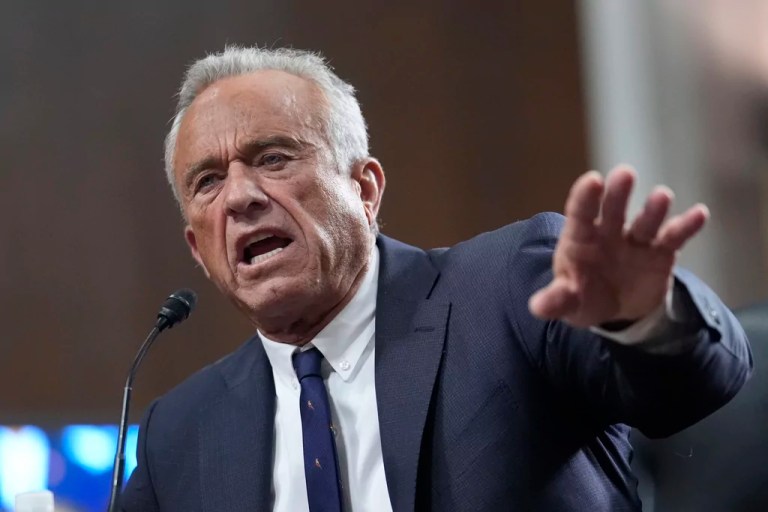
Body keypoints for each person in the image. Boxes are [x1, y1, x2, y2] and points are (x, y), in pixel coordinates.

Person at [120, 46, 752, 511]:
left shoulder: (507, 289)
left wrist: (641, 317)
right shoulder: (177, 435)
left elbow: (691, 390)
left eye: (273, 158)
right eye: (207, 181)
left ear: (364, 190)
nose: (239, 197)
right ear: (198, 249)